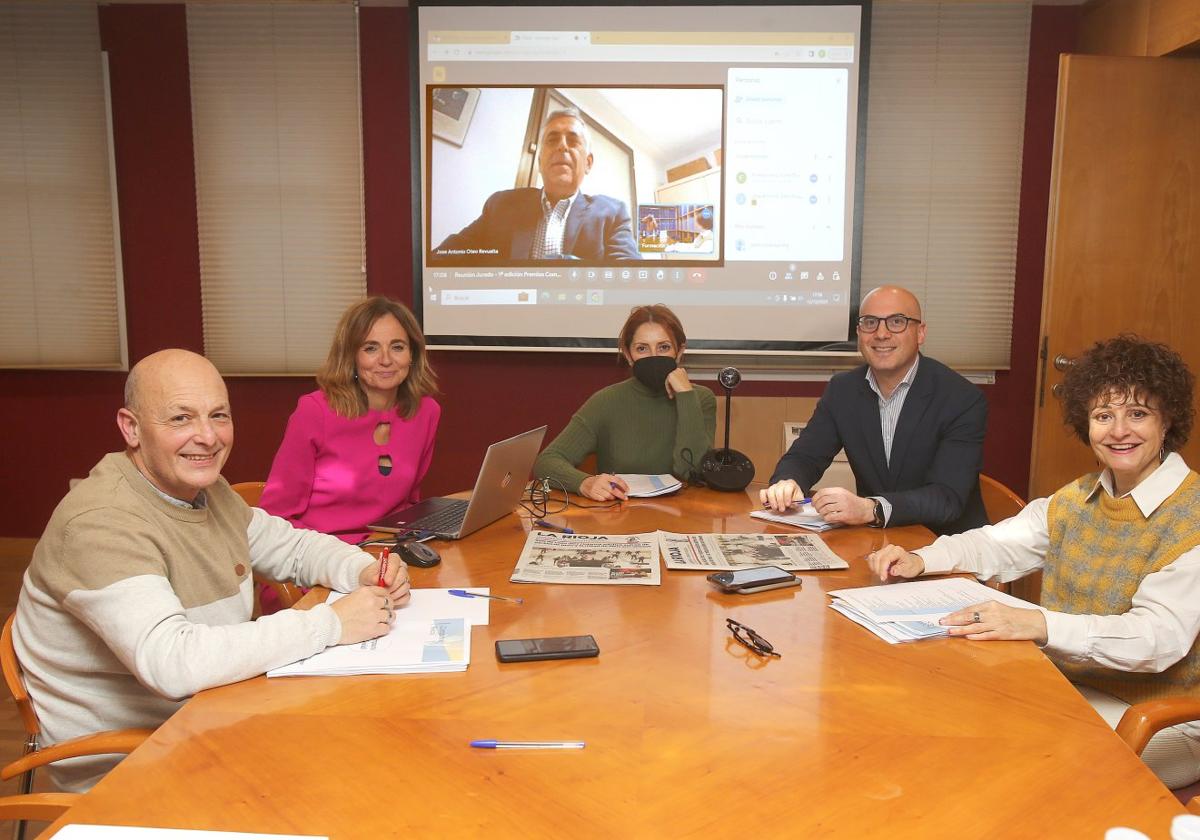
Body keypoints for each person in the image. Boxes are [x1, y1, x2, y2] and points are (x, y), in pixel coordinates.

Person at [13, 349, 410, 792]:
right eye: (181, 418)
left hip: (217, 719)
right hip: (133, 770)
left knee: (383, 753)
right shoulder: (100, 523)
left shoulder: (202, 490)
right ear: (131, 428)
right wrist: (331, 623)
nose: (207, 436)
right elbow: (174, 663)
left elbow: (293, 547)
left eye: (218, 415)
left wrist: (361, 568)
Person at [868, 335, 1200, 787]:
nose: (1119, 431)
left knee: (1015, 767)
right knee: (936, 718)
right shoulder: (1078, 498)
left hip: (1161, 717)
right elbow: (997, 544)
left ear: (1169, 421)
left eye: (1137, 414)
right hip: (1067, 688)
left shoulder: (1192, 517)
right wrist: (921, 559)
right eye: (1104, 416)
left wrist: (1039, 623)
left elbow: (1156, 639)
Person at [760, 285, 988, 536]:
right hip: (878, 543)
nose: (881, 334)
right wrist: (789, 481)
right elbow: (806, 456)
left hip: (947, 548)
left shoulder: (961, 398)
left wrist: (872, 509)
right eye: (870, 323)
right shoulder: (843, 390)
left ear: (920, 332)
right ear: (859, 332)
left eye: (897, 322)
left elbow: (947, 499)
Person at [261, 297, 439, 543]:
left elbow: (409, 503)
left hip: (387, 550)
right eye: (371, 348)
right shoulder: (315, 412)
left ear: (413, 355)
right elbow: (276, 517)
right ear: (351, 356)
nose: (386, 360)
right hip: (317, 558)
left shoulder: (426, 412)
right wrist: (336, 560)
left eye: (397, 347)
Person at [534, 304, 716, 501]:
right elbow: (546, 461)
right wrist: (584, 483)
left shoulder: (700, 398)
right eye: (642, 348)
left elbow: (692, 472)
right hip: (619, 514)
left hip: (685, 515)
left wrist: (686, 396)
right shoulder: (606, 401)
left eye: (664, 347)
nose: (654, 356)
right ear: (629, 356)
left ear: (679, 352)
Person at [433, 108, 641, 262]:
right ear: (540, 161)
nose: (562, 146)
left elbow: (628, 280)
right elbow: (447, 255)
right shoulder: (501, 206)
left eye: (573, 140)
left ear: (588, 163)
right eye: (552, 140)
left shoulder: (613, 214)